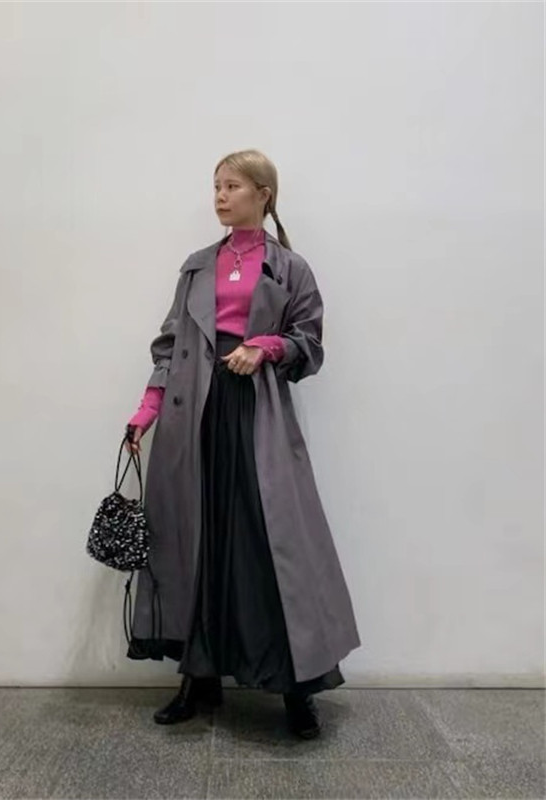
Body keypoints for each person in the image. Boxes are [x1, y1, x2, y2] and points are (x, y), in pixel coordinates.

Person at [124, 149, 361, 739]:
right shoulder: (196, 267)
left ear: (263, 194)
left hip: (259, 415)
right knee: (197, 540)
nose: (221, 196)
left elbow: (310, 342)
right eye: (216, 186)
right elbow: (168, 345)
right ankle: (198, 678)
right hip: (194, 415)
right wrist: (146, 412)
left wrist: (266, 347)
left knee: (269, 543)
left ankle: (296, 688)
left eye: (232, 186)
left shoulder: (290, 268)